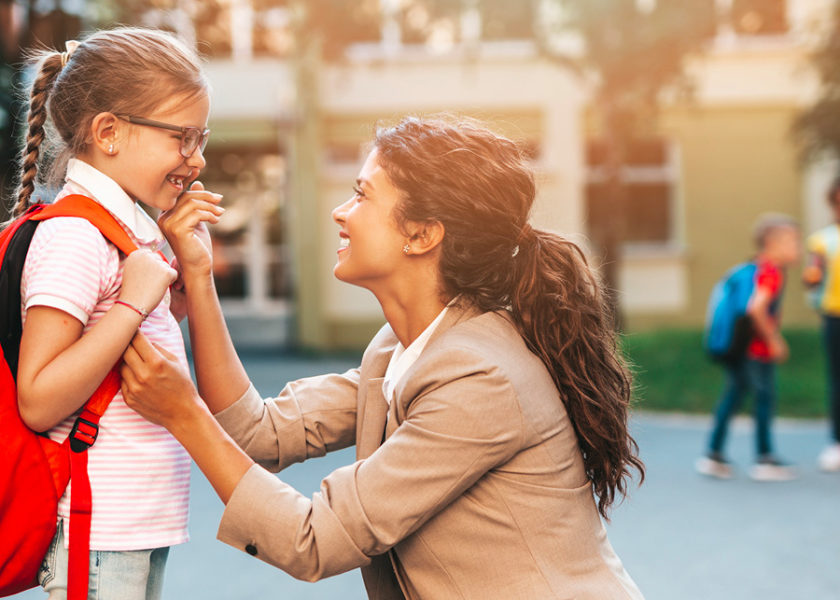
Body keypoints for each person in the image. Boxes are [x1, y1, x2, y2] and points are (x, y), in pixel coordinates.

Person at [120, 116, 645, 599]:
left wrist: (183, 414)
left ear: (421, 235)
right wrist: (200, 275)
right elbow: (258, 431)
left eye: (361, 195)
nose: (340, 211)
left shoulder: (479, 377)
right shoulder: (401, 349)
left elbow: (315, 539)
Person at [11, 28, 223, 599]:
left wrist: (169, 298)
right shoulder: (75, 234)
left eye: (202, 138)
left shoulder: (119, 234)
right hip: (97, 530)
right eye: (183, 138)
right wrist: (133, 302)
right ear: (108, 132)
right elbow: (38, 397)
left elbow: (111, 363)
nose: (196, 159)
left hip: (128, 527)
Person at [696, 214, 801, 482]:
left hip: (739, 347)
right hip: (755, 350)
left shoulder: (756, 267)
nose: (797, 248)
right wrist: (774, 339)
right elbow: (756, 308)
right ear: (771, 242)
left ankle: (713, 456)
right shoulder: (771, 271)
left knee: (733, 396)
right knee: (764, 399)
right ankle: (765, 458)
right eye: (792, 241)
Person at [803, 176, 840, 472]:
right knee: (837, 379)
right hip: (835, 316)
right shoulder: (822, 240)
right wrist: (811, 277)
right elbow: (812, 276)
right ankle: (836, 442)